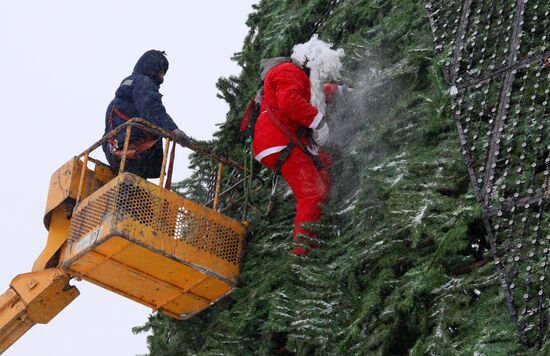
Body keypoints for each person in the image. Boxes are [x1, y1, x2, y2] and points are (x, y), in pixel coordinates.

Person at [251, 37, 344, 256]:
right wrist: (318, 122)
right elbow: (290, 101)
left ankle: (319, 225)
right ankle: (303, 255)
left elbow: (313, 95)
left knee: (324, 167)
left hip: (283, 141)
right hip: (280, 142)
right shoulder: (288, 70)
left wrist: (340, 91)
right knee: (312, 193)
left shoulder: (291, 75)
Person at [102, 49, 189, 178]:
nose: (162, 79)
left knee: (128, 191)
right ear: (152, 67)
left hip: (116, 154)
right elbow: (152, 110)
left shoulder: (115, 103)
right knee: (134, 192)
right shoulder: (142, 83)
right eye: (161, 72)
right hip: (136, 152)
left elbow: (106, 136)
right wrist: (173, 130)